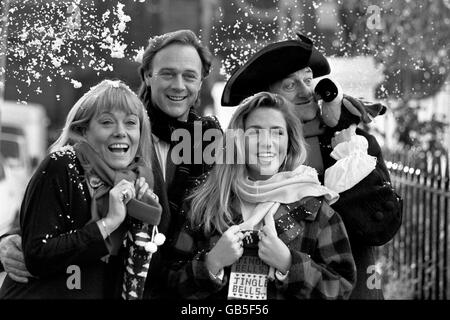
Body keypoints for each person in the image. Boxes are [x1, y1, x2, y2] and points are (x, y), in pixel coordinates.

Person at [0, 30, 222, 299]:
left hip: (181, 287)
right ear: (147, 76)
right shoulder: (114, 135)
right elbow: (47, 204)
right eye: (167, 73)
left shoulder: (212, 146)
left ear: (201, 82)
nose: (178, 85)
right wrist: (6, 242)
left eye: (189, 76)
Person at [221, 34, 402, 299]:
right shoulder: (247, 154)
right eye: (290, 85)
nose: (306, 91)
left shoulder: (355, 143)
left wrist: (349, 162)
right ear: (268, 97)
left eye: (307, 80)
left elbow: (381, 227)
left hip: (351, 289)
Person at [167, 92, 356, 299]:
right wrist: (212, 264)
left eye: (277, 133)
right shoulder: (203, 202)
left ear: (290, 141)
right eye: (255, 132)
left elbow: (341, 289)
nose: (267, 143)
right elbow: (169, 283)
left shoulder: (316, 209)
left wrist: (288, 264)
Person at [0, 79, 162, 299]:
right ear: (82, 130)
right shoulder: (63, 165)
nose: (120, 132)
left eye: (131, 123)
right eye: (107, 122)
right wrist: (108, 223)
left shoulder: (140, 183)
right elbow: (38, 253)